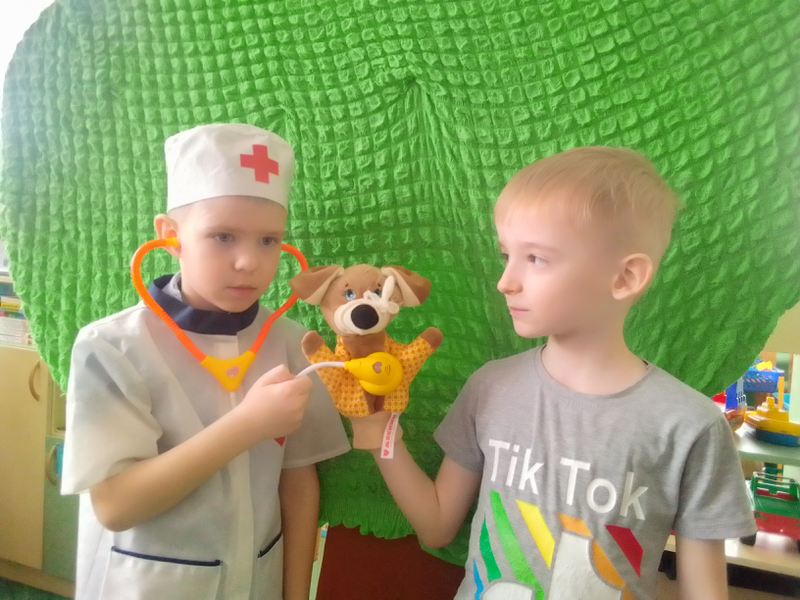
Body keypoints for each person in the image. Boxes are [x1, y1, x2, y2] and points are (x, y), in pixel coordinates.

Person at [370, 147, 756, 600]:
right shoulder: (490, 388)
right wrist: (377, 430)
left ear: (625, 277)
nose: (505, 281)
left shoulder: (689, 426)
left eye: (536, 258)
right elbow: (436, 526)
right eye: (506, 255)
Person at [62, 123, 350, 600]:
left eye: (268, 241)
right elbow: (115, 506)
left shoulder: (293, 343)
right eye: (223, 236)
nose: (248, 262)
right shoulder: (111, 347)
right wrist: (248, 425)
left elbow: (298, 483)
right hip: (150, 587)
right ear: (171, 236)